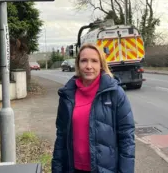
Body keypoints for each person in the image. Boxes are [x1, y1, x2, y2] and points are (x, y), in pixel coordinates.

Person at [51, 43, 135, 173]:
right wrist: (56, 169)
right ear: (78, 64)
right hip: (73, 168)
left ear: (101, 65)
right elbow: (61, 137)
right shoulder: (67, 95)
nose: (89, 66)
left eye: (94, 61)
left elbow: (127, 139)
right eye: (84, 60)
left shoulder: (115, 93)